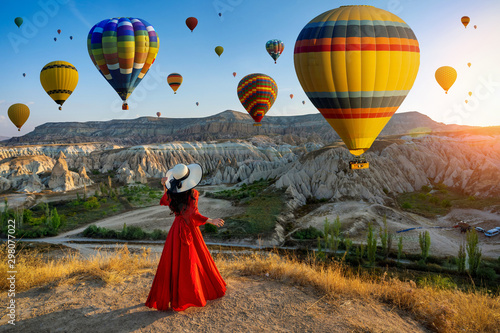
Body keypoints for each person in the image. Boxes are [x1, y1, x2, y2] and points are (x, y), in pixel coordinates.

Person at [145, 163, 226, 311]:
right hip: (189, 229)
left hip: (176, 230)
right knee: (193, 261)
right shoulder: (193, 193)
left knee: (173, 262)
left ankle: (174, 296)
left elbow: (166, 200)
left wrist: (165, 186)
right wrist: (210, 220)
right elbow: (192, 214)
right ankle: (190, 295)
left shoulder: (172, 192)